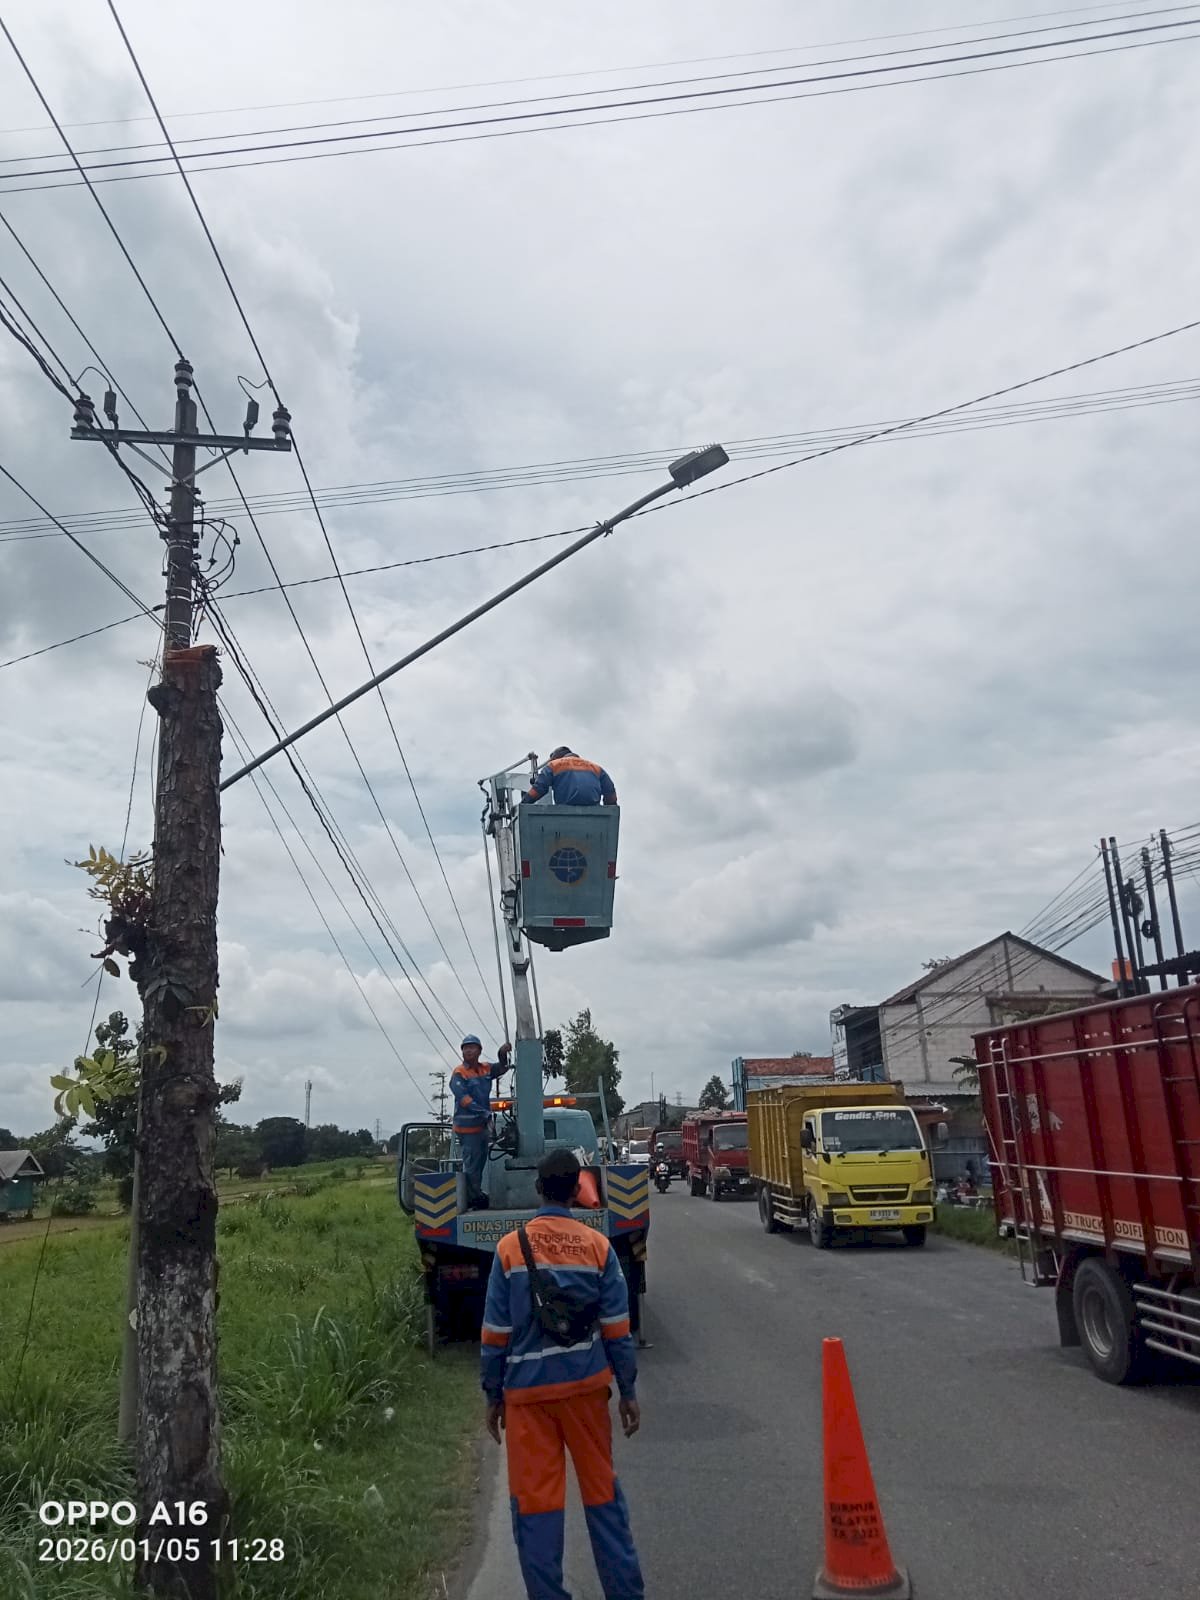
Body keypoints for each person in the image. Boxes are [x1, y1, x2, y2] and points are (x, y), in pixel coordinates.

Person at [481, 1149, 644, 1600]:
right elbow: (617, 1331)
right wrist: (627, 1391)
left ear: (538, 1187)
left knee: (536, 1511)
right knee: (604, 1502)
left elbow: (495, 1333)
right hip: (586, 1393)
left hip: (528, 1398)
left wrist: (493, 1395)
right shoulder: (598, 1247)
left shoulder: (510, 1249)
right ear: (578, 1189)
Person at [451, 1034, 511, 1210]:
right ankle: (472, 1199)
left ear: (479, 1050)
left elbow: (502, 1068)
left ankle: (476, 1194)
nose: (468, 1050)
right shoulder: (459, 1073)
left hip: (481, 1127)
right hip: (467, 1128)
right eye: (465, 1048)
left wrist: (502, 1053)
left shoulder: (485, 1069)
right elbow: (463, 1099)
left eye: (472, 1047)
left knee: (480, 1163)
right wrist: (484, 1113)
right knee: (471, 1165)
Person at [522, 746, 618, 807]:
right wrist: (609, 812)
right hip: (594, 815)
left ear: (556, 758)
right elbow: (610, 791)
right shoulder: (596, 768)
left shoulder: (554, 765)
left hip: (565, 812)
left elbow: (539, 789)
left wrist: (524, 803)